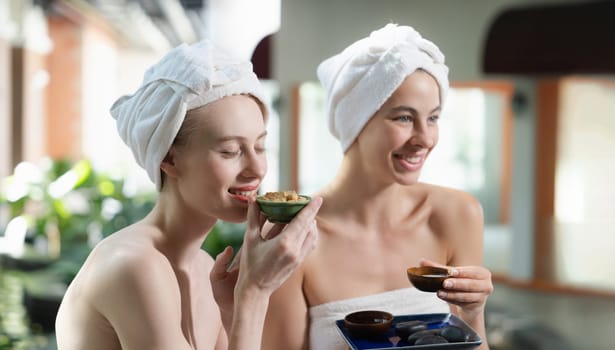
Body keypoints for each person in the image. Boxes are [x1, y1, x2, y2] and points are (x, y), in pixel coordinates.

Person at [55, 39, 322, 350]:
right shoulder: (135, 265)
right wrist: (254, 293)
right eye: (230, 151)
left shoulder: (205, 267)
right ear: (169, 158)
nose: (256, 169)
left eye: (260, 146)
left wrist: (232, 312)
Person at [262, 23, 493, 349]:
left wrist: (473, 312)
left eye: (433, 118)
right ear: (355, 121)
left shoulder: (456, 215)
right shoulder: (293, 237)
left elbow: (469, 341)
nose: (425, 139)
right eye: (403, 118)